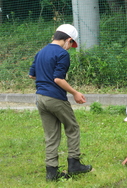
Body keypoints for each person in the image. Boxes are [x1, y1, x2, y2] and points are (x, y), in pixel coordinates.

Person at [29, 24, 92, 181]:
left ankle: (51, 173)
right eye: (71, 44)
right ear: (68, 40)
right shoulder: (62, 54)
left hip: (40, 98)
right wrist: (75, 93)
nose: (70, 48)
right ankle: (74, 164)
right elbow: (58, 78)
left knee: (51, 135)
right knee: (72, 127)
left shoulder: (40, 52)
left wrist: (45, 78)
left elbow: (32, 75)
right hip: (55, 98)